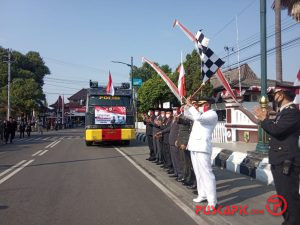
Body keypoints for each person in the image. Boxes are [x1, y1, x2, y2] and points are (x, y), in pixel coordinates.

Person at [253, 82, 300, 225]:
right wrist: (265, 119)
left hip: (287, 161)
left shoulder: (292, 112)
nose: (274, 97)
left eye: (275, 94)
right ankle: (289, 220)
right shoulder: (284, 112)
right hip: (280, 160)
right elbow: (274, 128)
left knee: (289, 197)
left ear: (281, 95)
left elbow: (276, 130)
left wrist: (264, 119)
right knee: (283, 196)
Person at [185, 97, 218, 211]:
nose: (198, 106)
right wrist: (186, 107)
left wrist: (191, 107)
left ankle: (212, 201)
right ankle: (202, 194)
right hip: (194, 146)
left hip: (203, 147)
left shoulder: (212, 114)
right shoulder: (201, 114)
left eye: (201, 104)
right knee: (198, 173)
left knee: (207, 174)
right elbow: (189, 115)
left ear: (207, 104)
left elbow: (198, 117)